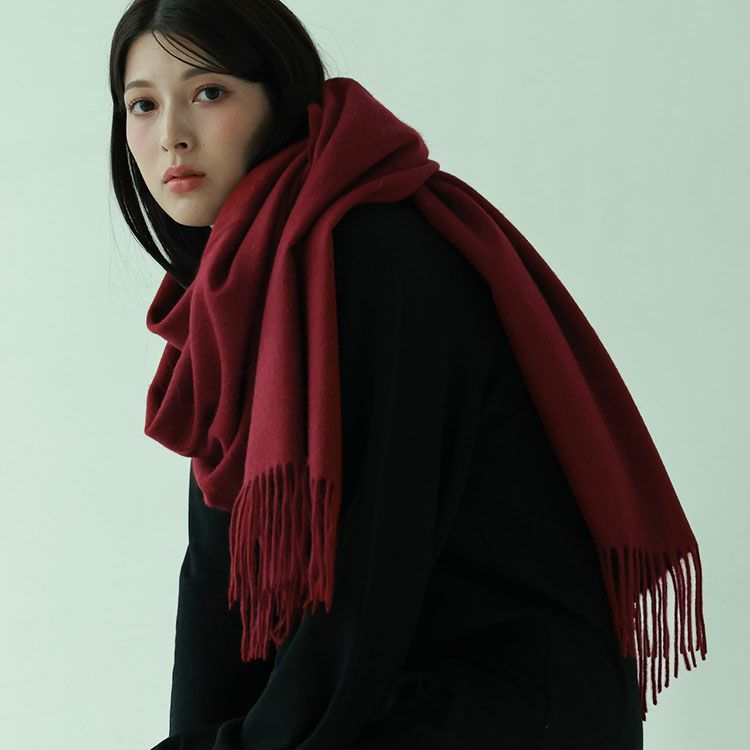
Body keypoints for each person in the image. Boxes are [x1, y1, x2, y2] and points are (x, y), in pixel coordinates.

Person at [108, 2, 707, 748]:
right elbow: (217, 572)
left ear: (279, 98)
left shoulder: (369, 254)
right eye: (142, 105)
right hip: (399, 692)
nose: (171, 134)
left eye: (209, 92)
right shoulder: (242, 285)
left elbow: (369, 569)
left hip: (509, 707)